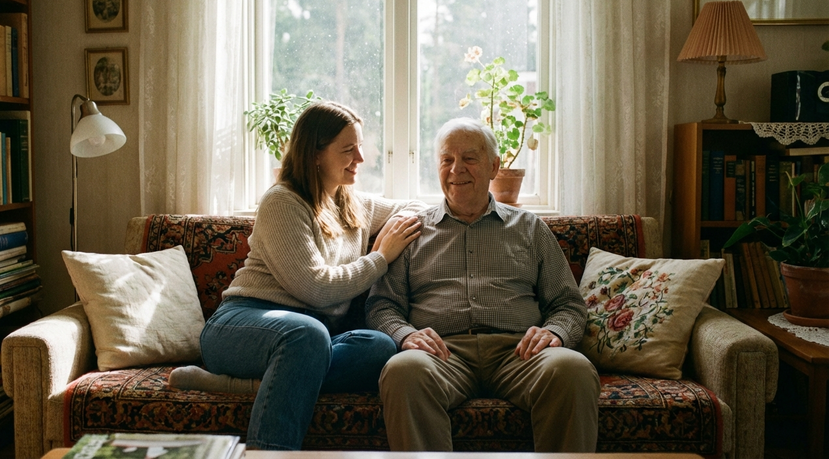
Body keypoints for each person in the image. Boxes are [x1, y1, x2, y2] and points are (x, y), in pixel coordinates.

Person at [169, 101, 425, 451]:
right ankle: (268, 455)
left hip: (308, 338)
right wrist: (381, 256)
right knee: (307, 335)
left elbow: (417, 208)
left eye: (360, 147)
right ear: (315, 154)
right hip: (242, 323)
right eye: (348, 149)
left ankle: (249, 384)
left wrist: (394, 229)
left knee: (380, 347)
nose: (361, 159)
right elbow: (316, 289)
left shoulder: (352, 203)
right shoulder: (283, 202)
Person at [366, 117, 599, 453]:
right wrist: (406, 335)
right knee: (403, 371)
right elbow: (381, 305)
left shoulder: (530, 228)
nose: (456, 169)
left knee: (573, 369)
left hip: (519, 353)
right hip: (441, 355)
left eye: (469, 159)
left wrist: (557, 333)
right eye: (447, 159)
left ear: (494, 166)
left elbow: (568, 303)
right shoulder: (411, 232)